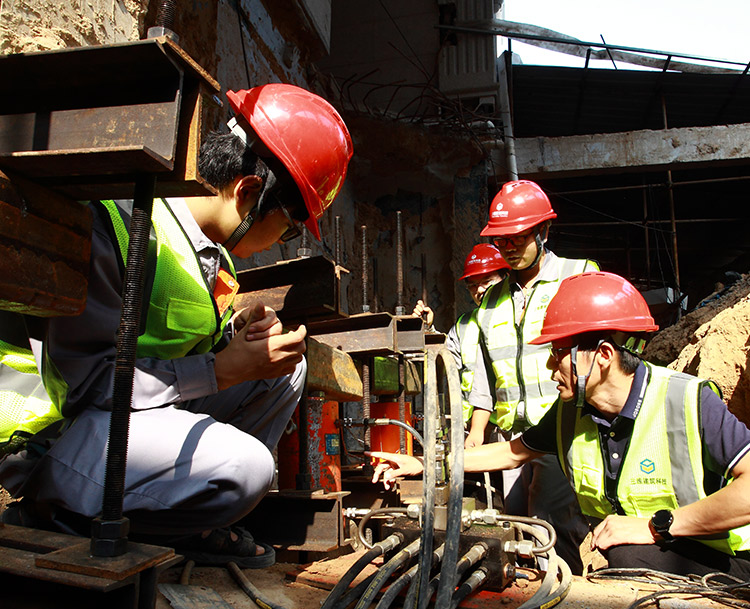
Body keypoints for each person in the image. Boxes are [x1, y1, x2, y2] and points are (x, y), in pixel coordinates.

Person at [0, 83, 353, 568]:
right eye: (290, 227)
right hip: (55, 436)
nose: (285, 242)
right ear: (248, 191)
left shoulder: (200, 247)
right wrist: (223, 369)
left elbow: (170, 350)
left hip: (124, 416)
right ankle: (55, 511)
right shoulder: (123, 223)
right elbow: (84, 389)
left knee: (283, 369)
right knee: (246, 468)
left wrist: (237, 338)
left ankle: (194, 518)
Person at [371, 271, 750, 579]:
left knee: (627, 556)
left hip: (725, 561)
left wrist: (656, 527)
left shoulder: (686, 401)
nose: (552, 368)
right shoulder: (572, 412)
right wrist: (424, 464)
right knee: (623, 557)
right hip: (654, 550)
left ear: (602, 355)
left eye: (558, 355)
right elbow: (510, 452)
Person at [467, 180, 599, 573]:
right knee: (516, 532)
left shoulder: (577, 276)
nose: (508, 247)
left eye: (518, 237)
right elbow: (486, 372)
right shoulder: (490, 299)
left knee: (551, 531)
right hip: (512, 438)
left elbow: (602, 357)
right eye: (501, 239)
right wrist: (478, 431)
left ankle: (570, 606)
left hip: (561, 433)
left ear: (543, 231)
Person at [413, 243, 509, 447]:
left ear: (505, 278)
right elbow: (444, 361)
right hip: (474, 431)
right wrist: (427, 330)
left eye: (487, 281)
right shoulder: (464, 325)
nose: (479, 290)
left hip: (511, 426)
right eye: (473, 285)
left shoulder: (519, 317)